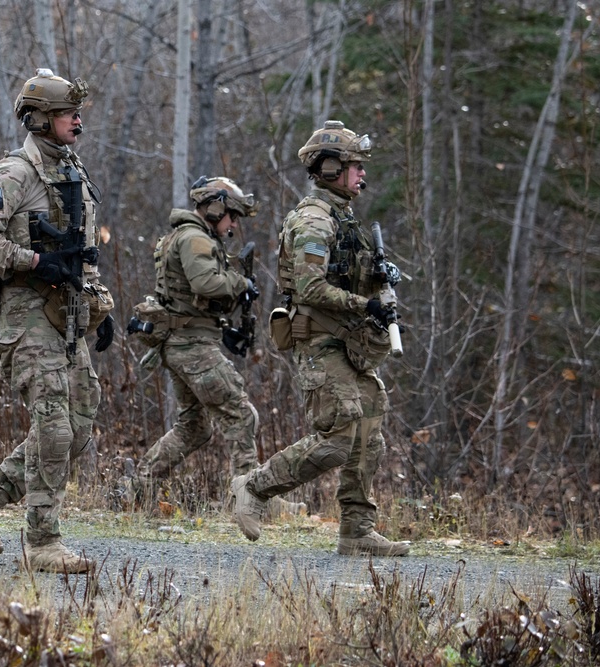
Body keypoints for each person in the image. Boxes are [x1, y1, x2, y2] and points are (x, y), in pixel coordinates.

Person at [0, 68, 115, 573]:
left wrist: (100, 304)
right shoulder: (14, 174)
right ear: (40, 119)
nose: (77, 121)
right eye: (68, 113)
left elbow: (81, 252)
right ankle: (42, 541)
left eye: (77, 112)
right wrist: (32, 262)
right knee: (54, 429)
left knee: (81, 423)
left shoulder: (72, 171)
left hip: (68, 314)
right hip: (25, 316)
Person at [231, 120, 410, 556]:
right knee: (336, 438)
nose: (362, 175)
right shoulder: (313, 220)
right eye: (354, 166)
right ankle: (253, 488)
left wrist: (379, 280)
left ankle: (356, 531)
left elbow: (347, 275)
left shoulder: (344, 219)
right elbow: (311, 289)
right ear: (330, 169)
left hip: (351, 342)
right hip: (320, 340)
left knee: (369, 433)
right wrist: (363, 305)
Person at [120, 176, 279, 512]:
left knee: (194, 427)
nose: (233, 223)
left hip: (183, 343)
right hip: (192, 347)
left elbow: (193, 298)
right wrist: (241, 283)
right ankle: (251, 499)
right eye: (231, 215)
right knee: (241, 415)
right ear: (215, 207)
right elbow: (206, 283)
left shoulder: (188, 236)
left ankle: (137, 489)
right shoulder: (193, 238)